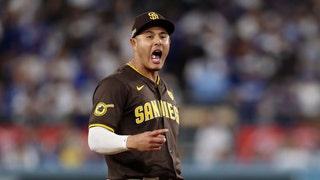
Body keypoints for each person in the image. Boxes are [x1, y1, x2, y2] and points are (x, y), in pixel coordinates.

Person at [88, 11, 183, 180]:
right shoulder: (116, 84)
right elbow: (95, 139)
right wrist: (130, 141)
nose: (158, 41)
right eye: (149, 36)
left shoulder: (166, 89)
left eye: (163, 36)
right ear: (133, 43)